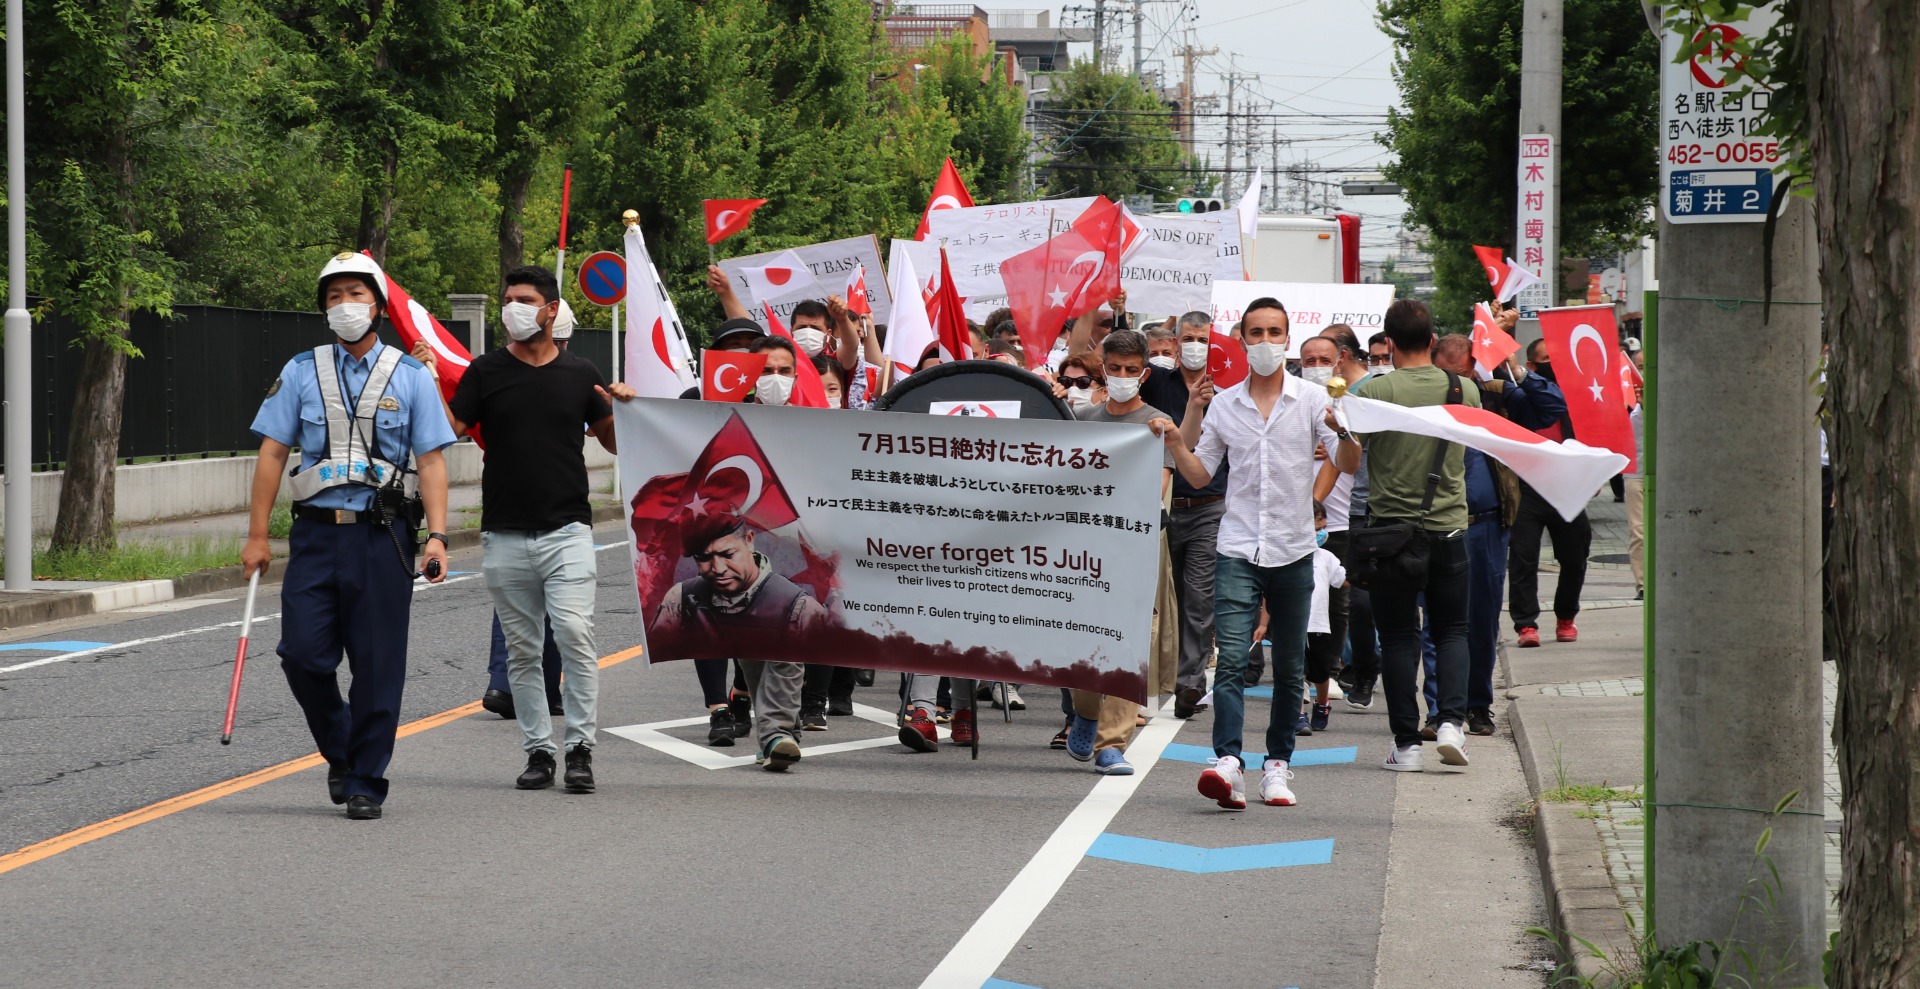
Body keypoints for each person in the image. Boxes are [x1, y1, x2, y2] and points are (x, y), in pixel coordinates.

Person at [243, 251, 455, 821]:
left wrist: (437, 537)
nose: (344, 305)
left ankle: (365, 780)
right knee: (302, 656)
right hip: (315, 538)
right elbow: (272, 453)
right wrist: (257, 535)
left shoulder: (410, 376)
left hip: (383, 538)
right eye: (334, 296)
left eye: (355, 294)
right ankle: (341, 748)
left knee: (377, 665)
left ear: (377, 306)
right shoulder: (300, 371)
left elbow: (431, 462)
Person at [442, 265, 636, 793]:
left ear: (551, 310)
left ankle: (580, 749)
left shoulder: (580, 372)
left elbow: (612, 441)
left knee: (574, 633)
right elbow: (447, 429)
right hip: (503, 533)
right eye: (508, 299)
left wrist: (623, 409)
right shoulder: (485, 371)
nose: (513, 308)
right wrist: (423, 381)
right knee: (523, 650)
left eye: (524, 299)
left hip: (567, 530)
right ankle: (539, 751)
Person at [1162, 298, 1360, 808]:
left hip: (1294, 548)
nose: (1266, 341)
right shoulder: (1226, 404)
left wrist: (1344, 430)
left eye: (1275, 332)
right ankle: (1228, 761)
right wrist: (1178, 436)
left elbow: (1348, 461)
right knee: (1231, 658)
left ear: (1287, 340)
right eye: (1257, 333)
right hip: (1237, 546)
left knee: (1290, 666)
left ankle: (1277, 765)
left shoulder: (1313, 399)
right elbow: (1200, 474)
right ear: (1244, 340)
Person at [1351, 300, 1478, 772]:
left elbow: (1348, 460)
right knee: (1452, 630)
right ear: (1432, 340)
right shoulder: (1463, 388)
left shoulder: (1374, 390)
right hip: (1449, 528)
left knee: (1398, 638)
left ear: (1388, 343)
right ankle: (1451, 724)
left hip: (1390, 536)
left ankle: (1406, 746)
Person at [458, 301, 580, 722]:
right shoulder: (508, 373)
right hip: (538, 509)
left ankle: (517, 684)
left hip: (527, 508)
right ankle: (522, 686)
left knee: (527, 603)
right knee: (548, 605)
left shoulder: (564, 375)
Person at [1062, 329, 1175, 775]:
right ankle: (1086, 711)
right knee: (1082, 638)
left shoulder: (1157, 424)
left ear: (1144, 374)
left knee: (1132, 639)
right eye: (1115, 368)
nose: (1123, 376)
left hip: (1134, 550)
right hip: (1084, 551)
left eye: (1132, 370)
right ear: (1104, 370)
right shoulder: (1082, 420)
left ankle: (1113, 743)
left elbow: (1158, 486)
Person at [650, 513, 827, 771]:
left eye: (728, 554)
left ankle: (778, 736)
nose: (718, 568)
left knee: (783, 660)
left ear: (750, 541)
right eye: (704, 558)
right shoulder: (684, 596)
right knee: (751, 665)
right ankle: (773, 732)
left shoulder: (793, 603)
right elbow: (658, 639)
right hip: (730, 644)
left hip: (782, 640)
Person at [1141, 311, 1229, 720]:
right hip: (1158, 506)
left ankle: (1189, 682)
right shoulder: (1156, 382)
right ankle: (1147, 675)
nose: (1196, 346)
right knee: (1158, 596)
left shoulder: (1228, 394)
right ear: (1175, 344)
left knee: (1197, 598)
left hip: (1208, 508)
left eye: (1204, 339)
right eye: (1189, 338)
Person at [1434, 331, 1517, 736]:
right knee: (1436, 623)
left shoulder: (1496, 397)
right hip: (1437, 526)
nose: (1456, 385)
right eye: (1446, 375)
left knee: (1482, 620)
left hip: (1485, 526)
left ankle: (1477, 705)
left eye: (1463, 375)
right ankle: (1439, 709)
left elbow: (1549, 405)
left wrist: (1512, 367)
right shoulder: (1424, 406)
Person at [1504, 338, 1592, 647]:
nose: (1553, 366)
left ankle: (1566, 617)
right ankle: (1526, 625)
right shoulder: (1518, 396)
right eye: (1546, 360)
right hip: (1527, 489)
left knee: (1575, 556)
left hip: (1565, 488)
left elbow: (1586, 434)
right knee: (1523, 559)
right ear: (1531, 366)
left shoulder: (1569, 398)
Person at [1320, 324, 1381, 711]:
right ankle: (1341, 670)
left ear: (1341, 357)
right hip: (1325, 516)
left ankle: (1366, 667)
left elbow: (1357, 455)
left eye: (1323, 359)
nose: (1315, 367)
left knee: (1360, 602)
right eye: (1309, 360)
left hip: (1364, 512)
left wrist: (1340, 442)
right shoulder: (1318, 394)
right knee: (1332, 603)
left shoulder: (1371, 392)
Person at [1297, 500, 1348, 734]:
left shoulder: (1326, 557)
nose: (1321, 533)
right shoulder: (1289, 557)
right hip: (1294, 623)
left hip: (1319, 625)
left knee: (1321, 671)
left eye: (1324, 528)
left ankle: (1322, 703)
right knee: (1296, 670)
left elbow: (1342, 580)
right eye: (1317, 528)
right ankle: (1299, 713)